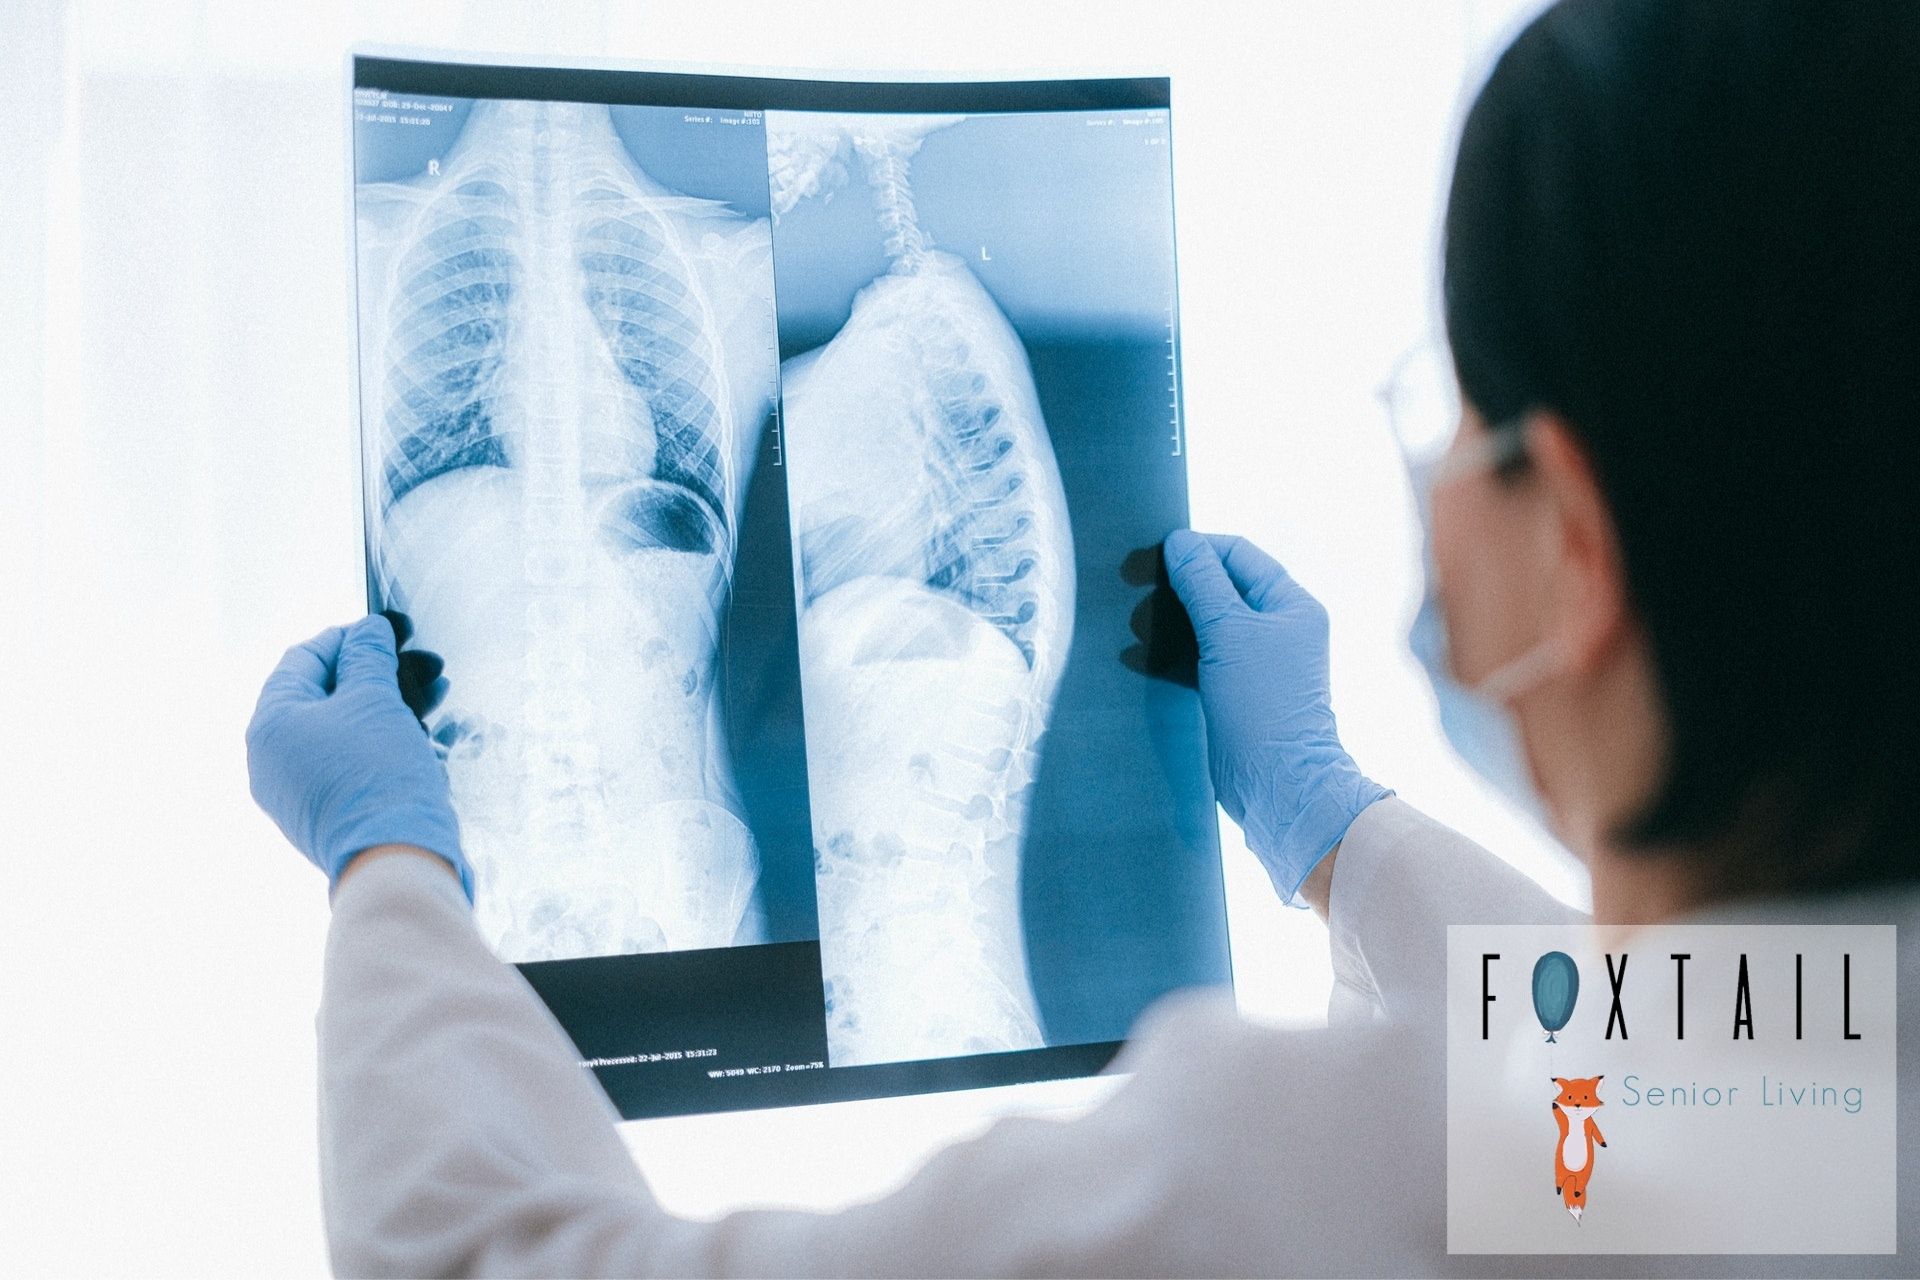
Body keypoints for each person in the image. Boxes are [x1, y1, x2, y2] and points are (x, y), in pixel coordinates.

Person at [245, 1, 1918, 1274]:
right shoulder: (1846, 1108)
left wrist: (393, 874)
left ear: (1569, 544)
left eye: (1450, 407)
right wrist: (1342, 833)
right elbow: (1694, 1088)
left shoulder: (1285, 1183)